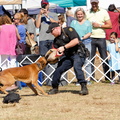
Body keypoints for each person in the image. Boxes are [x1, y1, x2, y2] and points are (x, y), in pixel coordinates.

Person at [46, 22, 89, 95]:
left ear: (56, 28)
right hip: (68, 56)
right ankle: (55, 88)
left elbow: (75, 41)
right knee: (58, 69)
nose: (51, 33)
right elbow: (58, 51)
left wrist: (64, 47)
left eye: (51, 31)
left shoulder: (69, 30)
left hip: (78, 53)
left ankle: (84, 87)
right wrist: (57, 54)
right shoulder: (56, 40)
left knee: (77, 67)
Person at [86, 0, 112, 81]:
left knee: (104, 58)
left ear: (98, 3)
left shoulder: (104, 12)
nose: (94, 5)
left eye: (95, 3)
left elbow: (110, 25)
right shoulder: (87, 13)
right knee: (90, 59)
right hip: (90, 38)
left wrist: (99, 25)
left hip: (101, 37)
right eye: (92, 3)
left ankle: (107, 77)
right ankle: (92, 78)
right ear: (90, 3)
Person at [70, 7, 92, 85]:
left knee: (87, 61)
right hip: (76, 44)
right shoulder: (73, 23)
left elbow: (89, 33)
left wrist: (82, 38)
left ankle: (88, 79)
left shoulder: (88, 23)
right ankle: (79, 79)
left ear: (84, 14)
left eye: (81, 14)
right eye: (78, 14)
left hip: (86, 42)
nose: (80, 15)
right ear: (76, 15)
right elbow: (71, 32)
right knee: (77, 62)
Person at [0, 14, 20, 90]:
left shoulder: (1, 27)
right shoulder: (14, 27)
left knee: (3, 65)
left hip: (3, 48)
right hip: (12, 48)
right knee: (13, 65)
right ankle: (13, 83)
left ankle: (5, 82)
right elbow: (19, 37)